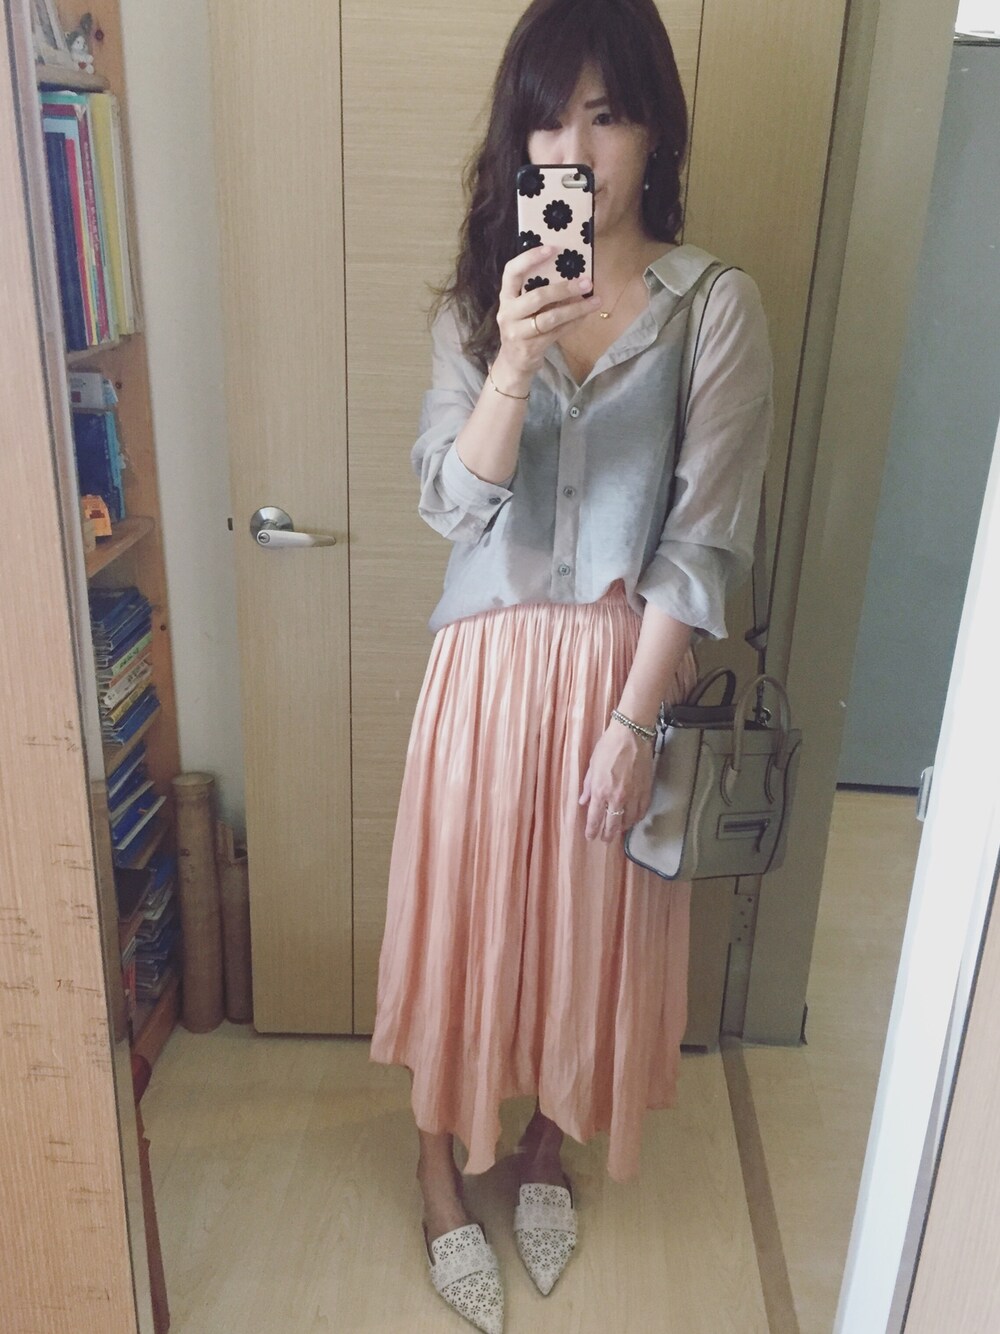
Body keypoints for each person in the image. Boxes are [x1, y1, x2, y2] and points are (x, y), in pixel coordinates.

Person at [369, 0, 773, 1329]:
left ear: (655, 130)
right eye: (549, 119)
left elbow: (702, 543)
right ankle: (438, 1167)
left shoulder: (714, 307)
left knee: (582, 933)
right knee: (466, 920)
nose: (576, 149)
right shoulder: (479, 308)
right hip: (484, 678)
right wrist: (516, 356)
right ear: (518, 138)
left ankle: (544, 1147)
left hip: (620, 674)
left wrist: (636, 721)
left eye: (606, 115)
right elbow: (450, 505)